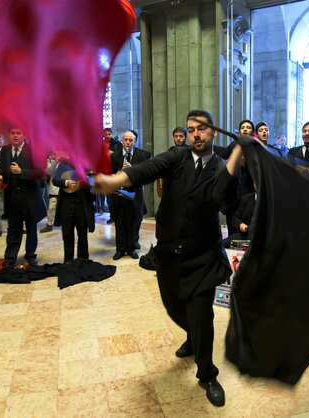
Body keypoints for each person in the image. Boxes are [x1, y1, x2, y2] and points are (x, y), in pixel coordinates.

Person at [95, 109, 239, 407]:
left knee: (202, 315)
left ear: (213, 132)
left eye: (201, 129)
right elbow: (146, 169)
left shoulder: (222, 168)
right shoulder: (177, 158)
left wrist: (237, 158)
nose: (195, 135)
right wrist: (116, 180)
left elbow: (220, 199)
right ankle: (192, 336)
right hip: (170, 253)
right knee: (174, 307)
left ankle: (207, 374)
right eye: (190, 130)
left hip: (203, 255)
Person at [0, 128, 46, 267]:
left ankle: (30, 256)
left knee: (31, 229)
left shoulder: (34, 150)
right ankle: (10, 258)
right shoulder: (5, 150)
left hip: (29, 197)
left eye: (18, 133)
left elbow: (40, 172)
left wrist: (21, 172)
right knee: (13, 228)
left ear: (24, 135)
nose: (15, 135)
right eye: (12, 133)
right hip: (12, 197)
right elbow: (2, 169)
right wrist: (1, 177)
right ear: (9, 135)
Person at [110, 130, 149, 260]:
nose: (128, 142)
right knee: (120, 222)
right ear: (122, 141)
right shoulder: (115, 156)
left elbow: (144, 176)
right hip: (119, 194)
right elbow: (109, 175)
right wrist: (121, 171)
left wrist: (132, 170)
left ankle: (131, 248)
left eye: (131, 140)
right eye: (126, 140)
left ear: (135, 142)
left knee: (133, 222)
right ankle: (120, 250)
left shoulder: (140, 156)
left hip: (134, 194)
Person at [52, 155, 96, 262]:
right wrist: (66, 183)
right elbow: (55, 180)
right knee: (67, 234)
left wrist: (88, 180)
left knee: (82, 234)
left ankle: (83, 259)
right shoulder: (64, 164)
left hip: (82, 205)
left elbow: (95, 182)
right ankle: (68, 260)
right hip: (66, 205)